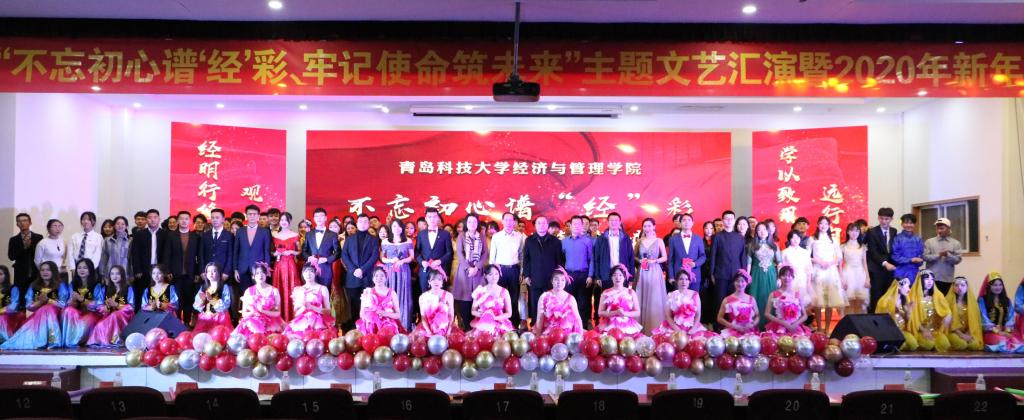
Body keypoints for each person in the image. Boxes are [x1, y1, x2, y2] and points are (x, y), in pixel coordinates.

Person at [0, 261, 69, 349]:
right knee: (44, 310)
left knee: (47, 308)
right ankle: (43, 341)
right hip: (38, 315)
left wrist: (49, 301)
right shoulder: (33, 286)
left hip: (56, 315)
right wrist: (39, 303)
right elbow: (28, 306)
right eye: (42, 270)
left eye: (48, 270)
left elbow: (64, 304)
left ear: (54, 271)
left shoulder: (60, 285)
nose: (45, 272)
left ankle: (53, 341)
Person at [593, 212, 634, 329]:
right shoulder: (601, 239)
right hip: (606, 275)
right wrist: (598, 276)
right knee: (606, 302)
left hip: (622, 276)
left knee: (622, 303)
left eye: (616, 220)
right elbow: (596, 258)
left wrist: (631, 276)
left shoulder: (626, 238)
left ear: (620, 222)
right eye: (611, 220)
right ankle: (605, 327)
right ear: (608, 222)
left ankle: (621, 327)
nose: (614, 222)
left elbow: (631, 258)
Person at [341, 213, 380, 328]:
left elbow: (374, 256)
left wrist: (362, 270)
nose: (363, 224)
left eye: (365, 222)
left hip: (367, 276)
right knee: (353, 305)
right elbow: (344, 256)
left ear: (368, 224)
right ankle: (354, 329)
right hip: (352, 277)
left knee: (368, 304)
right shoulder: (349, 239)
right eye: (360, 221)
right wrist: (353, 270)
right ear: (357, 224)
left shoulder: (374, 239)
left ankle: (367, 328)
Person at [709, 211, 748, 323]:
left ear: (734, 221)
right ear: (722, 221)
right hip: (721, 273)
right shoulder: (717, 237)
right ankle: (719, 326)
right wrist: (712, 273)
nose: (729, 220)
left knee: (735, 301)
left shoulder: (740, 237)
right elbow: (713, 255)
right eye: (726, 218)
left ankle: (734, 324)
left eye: (731, 218)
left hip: (737, 275)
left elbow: (743, 257)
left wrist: (744, 274)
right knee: (720, 301)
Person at [163, 211, 201, 325]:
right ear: (178, 221)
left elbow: (199, 257)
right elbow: (166, 255)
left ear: (190, 221)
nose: (184, 221)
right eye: (181, 219)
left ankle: (187, 322)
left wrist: (197, 273)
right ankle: (177, 323)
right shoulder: (170, 236)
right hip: (175, 274)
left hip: (190, 274)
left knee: (189, 299)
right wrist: (167, 271)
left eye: (186, 219)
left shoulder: (195, 237)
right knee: (176, 300)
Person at [487, 212, 525, 328]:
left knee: (514, 299)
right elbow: (492, 257)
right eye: (506, 220)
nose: (508, 223)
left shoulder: (519, 236)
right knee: (499, 299)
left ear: (514, 222)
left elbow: (521, 255)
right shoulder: (496, 236)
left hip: (514, 269)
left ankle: (514, 325)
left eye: (511, 220)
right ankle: (498, 325)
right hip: (500, 271)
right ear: (502, 221)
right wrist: (494, 273)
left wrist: (521, 271)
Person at [810, 216, 846, 333]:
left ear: (829, 225)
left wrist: (830, 263)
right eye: (821, 223)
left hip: (830, 271)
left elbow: (839, 257)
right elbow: (807, 256)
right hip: (817, 271)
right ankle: (819, 328)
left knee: (830, 302)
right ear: (817, 225)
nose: (823, 226)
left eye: (826, 224)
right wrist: (818, 261)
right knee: (818, 302)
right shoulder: (812, 239)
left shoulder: (833, 240)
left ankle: (827, 328)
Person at [525, 215, 562, 328]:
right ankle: (535, 325)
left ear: (547, 225)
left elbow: (559, 260)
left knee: (550, 302)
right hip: (534, 277)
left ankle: (550, 325)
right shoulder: (529, 240)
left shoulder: (555, 241)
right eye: (539, 223)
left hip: (550, 279)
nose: (541, 225)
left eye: (544, 223)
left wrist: (558, 277)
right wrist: (526, 275)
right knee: (535, 302)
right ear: (535, 226)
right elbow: (526, 259)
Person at [86, 265, 135, 347]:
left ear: (122, 275)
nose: (114, 276)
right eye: (112, 274)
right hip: (108, 315)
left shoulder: (128, 289)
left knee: (115, 315)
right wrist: (105, 307)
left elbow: (131, 307)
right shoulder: (105, 289)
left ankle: (116, 340)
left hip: (124, 315)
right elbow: (99, 304)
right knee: (100, 325)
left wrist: (116, 305)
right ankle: (102, 341)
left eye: (117, 274)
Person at [453, 213, 487, 331]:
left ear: (477, 223)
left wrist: (476, 267)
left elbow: (485, 253)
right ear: (466, 223)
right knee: (464, 300)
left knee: (479, 300)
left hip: (478, 272)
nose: (472, 224)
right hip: (464, 271)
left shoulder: (482, 236)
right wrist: (468, 268)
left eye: (474, 221)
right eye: (470, 221)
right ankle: (467, 328)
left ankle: (477, 330)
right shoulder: (461, 236)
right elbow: (460, 253)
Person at [284, 263, 335, 340]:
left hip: (318, 322)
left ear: (315, 273)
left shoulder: (322, 288)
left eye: (311, 271)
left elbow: (328, 311)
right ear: (303, 274)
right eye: (306, 271)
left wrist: (312, 307)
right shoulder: (298, 289)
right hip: (302, 322)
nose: (308, 274)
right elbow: (296, 313)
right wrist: (304, 308)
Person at [652, 269, 708, 338]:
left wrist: (693, 328)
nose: (684, 282)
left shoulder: (695, 294)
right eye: (681, 279)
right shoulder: (671, 295)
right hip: (674, 328)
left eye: (686, 279)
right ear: (677, 281)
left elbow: (698, 314)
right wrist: (677, 330)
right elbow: (668, 316)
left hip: (692, 328)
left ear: (689, 281)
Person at [635, 217, 667, 334]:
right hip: (642, 271)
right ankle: (640, 328)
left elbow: (665, 257)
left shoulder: (659, 241)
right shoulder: (639, 241)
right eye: (645, 226)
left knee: (654, 298)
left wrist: (655, 261)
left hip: (655, 271)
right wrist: (639, 260)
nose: (647, 228)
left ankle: (654, 328)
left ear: (654, 227)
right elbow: (634, 256)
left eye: (649, 226)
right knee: (641, 296)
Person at [303, 208, 340, 309]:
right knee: (310, 294)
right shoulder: (309, 234)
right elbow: (304, 251)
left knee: (325, 294)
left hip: (326, 268)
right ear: (314, 219)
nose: (319, 218)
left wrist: (327, 259)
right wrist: (309, 257)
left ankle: (325, 316)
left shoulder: (332, 234)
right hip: (311, 269)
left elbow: (338, 252)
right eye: (317, 216)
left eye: (321, 216)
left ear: (326, 218)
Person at [234, 262, 284, 337]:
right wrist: (253, 312)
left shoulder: (274, 291)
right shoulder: (248, 291)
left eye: (262, 272)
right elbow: (244, 314)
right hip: (253, 322)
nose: (260, 275)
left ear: (266, 274)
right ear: (253, 276)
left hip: (271, 322)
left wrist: (263, 311)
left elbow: (277, 313)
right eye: (257, 273)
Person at [129, 209, 166, 311]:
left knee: (158, 296)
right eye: (149, 218)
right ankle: (139, 318)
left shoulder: (165, 234)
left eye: (155, 217)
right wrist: (137, 270)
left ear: (159, 219)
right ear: (146, 220)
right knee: (141, 296)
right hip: (143, 271)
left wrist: (165, 270)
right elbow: (135, 254)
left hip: (159, 271)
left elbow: (167, 254)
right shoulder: (139, 234)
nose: (152, 220)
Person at [415, 209, 453, 304]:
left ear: (438, 218)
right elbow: (416, 252)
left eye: (434, 216)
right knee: (425, 297)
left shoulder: (445, 234)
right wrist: (421, 261)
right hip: (425, 270)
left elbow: (449, 253)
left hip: (440, 270)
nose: (432, 219)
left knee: (440, 299)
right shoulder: (421, 234)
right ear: (426, 219)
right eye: (430, 217)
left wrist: (440, 261)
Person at [381, 220, 414, 330]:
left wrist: (403, 261)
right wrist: (391, 260)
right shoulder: (385, 241)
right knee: (390, 295)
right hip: (390, 271)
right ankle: (389, 325)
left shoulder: (408, 240)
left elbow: (412, 257)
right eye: (394, 226)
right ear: (391, 228)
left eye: (399, 226)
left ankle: (404, 324)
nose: (397, 228)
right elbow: (382, 258)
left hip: (403, 270)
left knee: (404, 294)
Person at [977, 273, 1022, 352]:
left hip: (1006, 331)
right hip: (990, 332)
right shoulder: (982, 300)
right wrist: (998, 331)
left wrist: (1007, 330)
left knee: (1019, 343)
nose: (998, 287)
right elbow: (983, 319)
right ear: (989, 286)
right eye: (995, 285)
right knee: (1003, 344)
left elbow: (1011, 317)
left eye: (1000, 285)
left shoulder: (1006, 300)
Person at [909, 270, 951, 352]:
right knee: (928, 345)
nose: (930, 282)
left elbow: (946, 310)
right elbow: (913, 318)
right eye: (927, 279)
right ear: (920, 280)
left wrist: (949, 315)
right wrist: (923, 330)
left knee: (944, 344)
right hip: (920, 330)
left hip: (934, 330)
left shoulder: (938, 295)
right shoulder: (913, 297)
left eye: (932, 279)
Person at [596, 264, 643, 338]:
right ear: (611, 277)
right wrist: (615, 313)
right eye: (614, 275)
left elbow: (637, 312)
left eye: (620, 275)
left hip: (627, 325)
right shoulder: (606, 292)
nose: (617, 278)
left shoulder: (631, 292)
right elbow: (600, 312)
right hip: (609, 325)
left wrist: (624, 313)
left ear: (624, 277)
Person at [763, 265, 812, 336]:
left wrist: (795, 324)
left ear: (793, 277)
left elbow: (804, 315)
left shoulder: (797, 294)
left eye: (789, 275)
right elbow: (767, 314)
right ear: (779, 277)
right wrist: (783, 323)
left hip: (795, 325)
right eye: (784, 275)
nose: (786, 278)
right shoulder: (773, 294)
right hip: (779, 325)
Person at [355, 266, 405, 336]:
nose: (379, 278)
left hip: (387, 324)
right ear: (373, 279)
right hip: (371, 324)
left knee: (388, 331)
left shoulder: (392, 293)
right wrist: (371, 315)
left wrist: (385, 314)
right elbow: (361, 313)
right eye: (376, 276)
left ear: (386, 278)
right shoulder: (368, 292)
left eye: (382, 276)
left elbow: (398, 315)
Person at [747, 222, 779, 329]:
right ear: (756, 232)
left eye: (764, 229)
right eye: (759, 230)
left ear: (768, 231)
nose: (762, 232)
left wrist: (779, 278)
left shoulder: (774, 245)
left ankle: (771, 325)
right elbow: (749, 263)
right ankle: (756, 325)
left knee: (771, 297)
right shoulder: (752, 245)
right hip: (756, 274)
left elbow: (779, 262)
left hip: (771, 274)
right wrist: (747, 276)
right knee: (757, 297)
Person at [533, 267, 583, 336]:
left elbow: (578, 319)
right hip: (549, 333)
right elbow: (540, 318)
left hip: (567, 334)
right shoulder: (544, 296)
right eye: (556, 279)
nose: (559, 282)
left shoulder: (571, 298)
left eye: (562, 280)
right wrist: (538, 336)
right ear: (552, 281)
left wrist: (581, 336)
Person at [865, 208, 897, 313]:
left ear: (891, 219)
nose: (883, 221)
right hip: (876, 268)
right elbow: (873, 251)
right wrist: (885, 263)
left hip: (890, 269)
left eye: (886, 219)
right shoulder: (872, 232)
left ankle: (887, 318)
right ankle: (874, 318)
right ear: (878, 218)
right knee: (876, 296)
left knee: (888, 294)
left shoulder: (894, 231)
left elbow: (892, 250)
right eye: (881, 218)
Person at [270, 212, 301, 322]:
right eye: (282, 220)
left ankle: (293, 318)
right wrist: (276, 253)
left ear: (290, 221)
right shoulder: (275, 236)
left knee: (292, 288)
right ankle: (279, 318)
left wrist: (292, 252)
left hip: (290, 265)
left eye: (286, 220)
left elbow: (300, 251)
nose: (283, 222)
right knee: (279, 289)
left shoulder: (295, 235)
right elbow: (271, 252)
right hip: (278, 265)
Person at [62, 259, 100, 347]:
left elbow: (98, 305)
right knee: (68, 311)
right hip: (77, 313)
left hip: (91, 314)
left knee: (87, 320)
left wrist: (82, 299)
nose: (82, 270)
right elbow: (67, 303)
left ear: (90, 270)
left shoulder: (97, 285)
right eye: (79, 268)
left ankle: (76, 341)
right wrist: (73, 301)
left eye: (85, 268)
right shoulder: (72, 285)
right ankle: (68, 341)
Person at [234, 205, 272, 292]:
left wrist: (266, 268)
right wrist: (235, 269)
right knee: (244, 294)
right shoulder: (240, 231)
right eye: (249, 214)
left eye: (254, 214)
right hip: (242, 268)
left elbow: (266, 251)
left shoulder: (265, 232)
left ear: (258, 216)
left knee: (259, 293)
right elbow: (236, 251)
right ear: (246, 215)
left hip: (259, 270)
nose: (252, 216)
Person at [470, 264, 515, 337]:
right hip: (483, 322)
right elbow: (473, 311)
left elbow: (509, 313)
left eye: (496, 274)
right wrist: (484, 314)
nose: (494, 277)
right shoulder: (480, 290)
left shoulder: (504, 292)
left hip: (499, 321)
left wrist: (494, 318)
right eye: (490, 274)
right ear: (485, 276)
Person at [875, 278, 919, 351]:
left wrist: (908, 312)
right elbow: (881, 321)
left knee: (913, 345)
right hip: (889, 332)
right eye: (907, 286)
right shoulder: (885, 301)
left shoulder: (904, 300)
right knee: (900, 346)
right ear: (899, 287)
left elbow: (907, 321)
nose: (909, 289)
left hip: (901, 331)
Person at [667, 213, 706, 293]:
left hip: (694, 275)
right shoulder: (673, 239)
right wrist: (671, 276)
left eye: (689, 220)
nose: (686, 222)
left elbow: (703, 256)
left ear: (692, 223)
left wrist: (695, 264)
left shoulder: (698, 239)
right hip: (678, 276)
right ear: (680, 223)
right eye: (684, 220)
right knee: (679, 299)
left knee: (693, 299)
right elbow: (670, 260)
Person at [923, 217, 963, 296]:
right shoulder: (929, 242)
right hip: (931, 279)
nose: (939, 230)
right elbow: (924, 257)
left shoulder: (955, 243)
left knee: (945, 301)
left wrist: (948, 255)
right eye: (937, 228)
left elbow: (958, 260)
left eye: (942, 228)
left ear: (948, 228)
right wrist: (938, 255)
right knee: (930, 301)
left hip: (947, 279)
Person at [192, 262, 233, 333]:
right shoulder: (203, 287)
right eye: (208, 271)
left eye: (214, 271)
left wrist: (212, 300)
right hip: (206, 317)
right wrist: (202, 301)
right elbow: (197, 305)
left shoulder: (223, 287)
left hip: (220, 317)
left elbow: (226, 304)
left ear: (219, 273)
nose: (211, 273)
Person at [717, 270, 760, 337]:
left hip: (749, 330)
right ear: (734, 282)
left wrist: (752, 324)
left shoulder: (751, 299)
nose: (740, 284)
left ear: (746, 283)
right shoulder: (727, 300)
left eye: (742, 281)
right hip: (733, 330)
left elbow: (758, 316)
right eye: (737, 281)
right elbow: (719, 318)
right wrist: (733, 326)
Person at [946, 276, 984, 351]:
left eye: (963, 285)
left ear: (967, 287)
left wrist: (967, 334)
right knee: (962, 344)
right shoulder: (948, 301)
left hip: (968, 332)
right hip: (953, 332)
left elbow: (974, 322)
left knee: (975, 345)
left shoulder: (972, 303)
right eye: (956, 285)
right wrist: (961, 335)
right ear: (952, 287)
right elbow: (949, 323)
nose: (959, 287)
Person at [415, 268, 454, 337]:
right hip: (428, 330)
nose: (436, 282)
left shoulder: (448, 296)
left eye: (439, 279)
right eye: (433, 279)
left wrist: (448, 331)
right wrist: (429, 332)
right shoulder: (423, 297)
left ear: (442, 282)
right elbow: (423, 317)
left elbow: (451, 315)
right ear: (429, 282)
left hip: (445, 330)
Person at [8, 213, 42, 292]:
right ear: (17, 224)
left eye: (25, 220)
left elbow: (40, 255)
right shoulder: (13, 239)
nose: (22, 223)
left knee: (35, 294)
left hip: (35, 271)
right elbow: (11, 256)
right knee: (21, 294)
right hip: (20, 273)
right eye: (19, 221)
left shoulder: (38, 237)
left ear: (30, 222)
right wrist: (24, 248)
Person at [780, 230, 814, 308]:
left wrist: (808, 282)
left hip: (803, 279)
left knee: (804, 304)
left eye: (797, 238)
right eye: (793, 238)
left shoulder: (805, 252)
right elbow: (781, 268)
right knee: (791, 303)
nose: (795, 240)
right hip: (790, 280)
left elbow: (809, 268)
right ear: (789, 239)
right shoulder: (785, 252)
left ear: (800, 239)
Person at [842, 223, 870, 314]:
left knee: (860, 302)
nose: (854, 233)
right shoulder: (843, 246)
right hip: (847, 274)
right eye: (852, 230)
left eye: (857, 231)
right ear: (847, 232)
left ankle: (859, 322)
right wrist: (841, 279)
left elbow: (864, 263)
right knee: (848, 303)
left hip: (860, 274)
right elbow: (839, 264)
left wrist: (867, 278)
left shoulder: (862, 247)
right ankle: (848, 322)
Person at [892, 214, 924, 286]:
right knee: (901, 292)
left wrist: (919, 261)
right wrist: (911, 260)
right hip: (900, 271)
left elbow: (921, 256)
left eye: (911, 223)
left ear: (915, 224)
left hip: (914, 272)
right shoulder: (897, 238)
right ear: (902, 224)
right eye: (906, 223)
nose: (909, 225)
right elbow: (894, 256)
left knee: (914, 292)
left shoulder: (918, 239)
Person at [330, 219, 351, 329]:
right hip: (328, 266)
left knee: (340, 292)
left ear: (340, 228)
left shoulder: (344, 239)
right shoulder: (326, 238)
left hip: (340, 267)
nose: (333, 229)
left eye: (335, 226)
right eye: (331, 227)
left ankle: (340, 320)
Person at [0, 266, 26, 344]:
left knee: (1, 318)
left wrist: (1, 310)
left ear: (6, 276)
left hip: (10, 315)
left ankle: (4, 341)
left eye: (0, 274)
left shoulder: (13, 288)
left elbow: (13, 306)